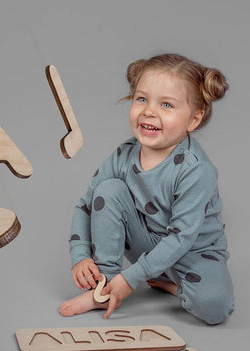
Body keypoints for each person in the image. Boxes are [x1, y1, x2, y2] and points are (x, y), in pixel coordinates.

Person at [59, 53, 234, 324]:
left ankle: (174, 285)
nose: (149, 111)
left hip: (193, 253)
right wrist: (80, 256)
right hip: (146, 243)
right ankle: (103, 288)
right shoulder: (124, 154)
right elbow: (86, 204)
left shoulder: (197, 170)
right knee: (107, 190)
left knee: (215, 307)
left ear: (193, 120)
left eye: (166, 104)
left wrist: (130, 279)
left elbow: (180, 239)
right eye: (142, 99)